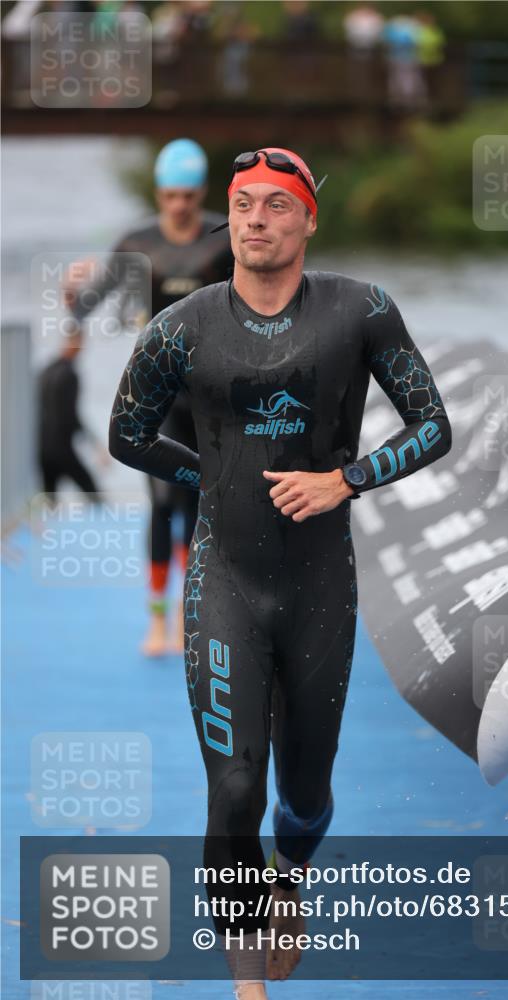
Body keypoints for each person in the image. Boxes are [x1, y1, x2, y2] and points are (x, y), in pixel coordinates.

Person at [108, 147, 452, 998]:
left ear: (307, 219)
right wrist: (211, 478)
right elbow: (126, 434)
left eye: (274, 205)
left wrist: (346, 479)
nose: (254, 219)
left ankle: (289, 874)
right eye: (241, 205)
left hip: (318, 587)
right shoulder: (181, 326)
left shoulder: (361, 311)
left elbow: (432, 425)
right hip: (224, 577)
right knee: (232, 788)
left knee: (302, 790)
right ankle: (245, 979)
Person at [65, 138, 235, 656]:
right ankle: (158, 621)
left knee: (207, 505)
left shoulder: (223, 236)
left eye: (187, 194)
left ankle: (196, 615)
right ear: (159, 193)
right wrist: (71, 296)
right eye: (170, 195)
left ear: (201, 191)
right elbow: (87, 306)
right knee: (162, 504)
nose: (179, 205)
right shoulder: (136, 242)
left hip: (212, 395)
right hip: (157, 393)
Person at [37, 326, 106, 497]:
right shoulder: (69, 375)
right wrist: (95, 444)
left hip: (42, 446)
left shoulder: (45, 371)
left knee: (49, 500)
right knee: (93, 493)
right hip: (62, 448)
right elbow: (70, 416)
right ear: (74, 343)